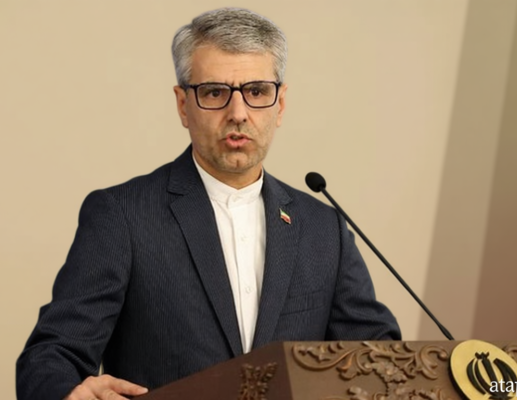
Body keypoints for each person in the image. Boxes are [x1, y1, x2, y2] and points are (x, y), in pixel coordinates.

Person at [16, 7, 401, 400]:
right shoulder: (123, 216)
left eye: (256, 92)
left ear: (280, 104)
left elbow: (381, 360)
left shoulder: (323, 229)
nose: (238, 114)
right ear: (183, 105)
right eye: (215, 93)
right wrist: (67, 393)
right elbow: (51, 355)